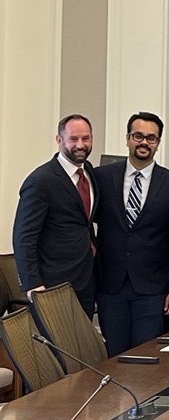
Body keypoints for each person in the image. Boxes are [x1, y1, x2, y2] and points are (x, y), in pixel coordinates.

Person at [93, 112, 169, 355]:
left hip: (153, 288)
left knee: (146, 357)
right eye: (138, 136)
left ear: (158, 142)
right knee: (114, 355)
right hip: (110, 285)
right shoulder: (101, 177)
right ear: (127, 139)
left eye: (151, 138)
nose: (144, 142)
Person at [13, 114, 99, 317]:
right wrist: (32, 284)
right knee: (58, 347)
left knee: (81, 346)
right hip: (53, 284)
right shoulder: (41, 181)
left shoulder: (89, 173)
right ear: (59, 140)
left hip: (86, 279)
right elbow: (23, 236)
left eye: (86, 138)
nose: (80, 145)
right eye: (73, 139)